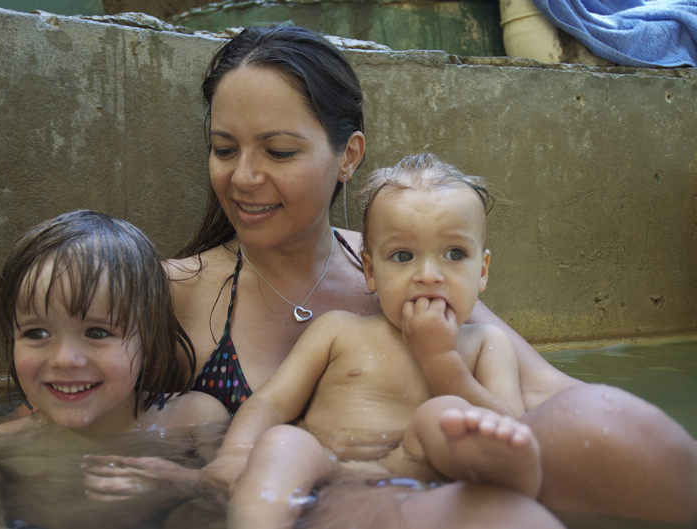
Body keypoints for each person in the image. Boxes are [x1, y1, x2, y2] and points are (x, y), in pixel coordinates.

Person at [77, 25, 697, 524]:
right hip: (296, 498)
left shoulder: (404, 261)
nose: (243, 176)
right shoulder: (177, 287)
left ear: (348, 155)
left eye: (279, 151)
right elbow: (68, 401)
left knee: (594, 423)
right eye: (223, 149)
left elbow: (550, 398)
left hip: (417, 486)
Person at [209, 153, 561, 529]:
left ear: (483, 272)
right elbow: (271, 403)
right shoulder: (338, 330)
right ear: (371, 270)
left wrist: (441, 360)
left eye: (455, 254)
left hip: (414, 470)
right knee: (284, 442)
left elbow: (512, 431)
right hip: (324, 468)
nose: (429, 275)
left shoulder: (485, 344)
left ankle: (495, 493)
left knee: (441, 416)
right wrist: (235, 453)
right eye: (403, 255)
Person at [0, 210, 229, 529]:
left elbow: (240, 492)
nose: (64, 359)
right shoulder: (13, 438)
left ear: (150, 339)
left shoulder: (195, 419)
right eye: (36, 333)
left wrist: (180, 478)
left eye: (96, 332)